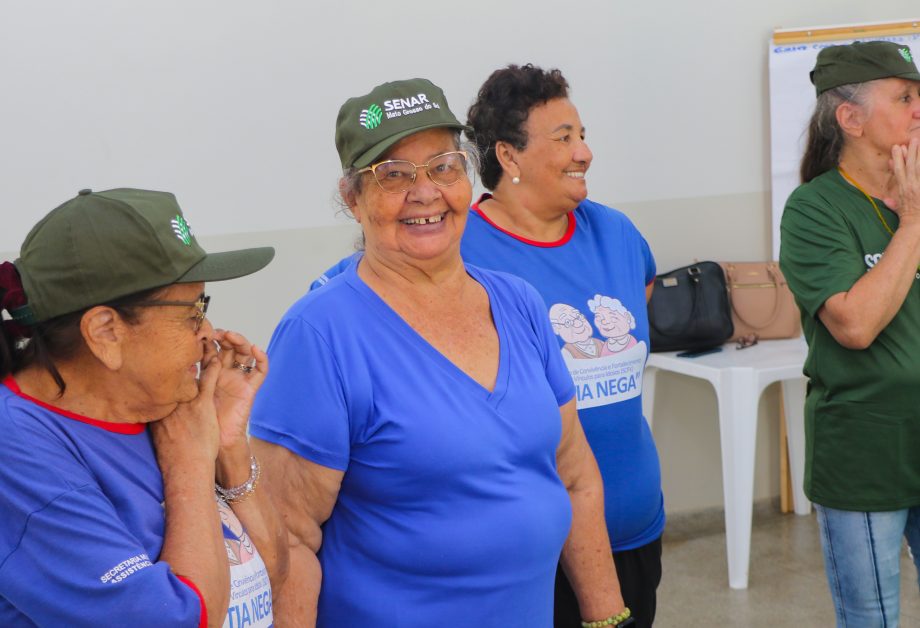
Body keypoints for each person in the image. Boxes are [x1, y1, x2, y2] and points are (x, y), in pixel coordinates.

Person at [249, 78, 634, 627]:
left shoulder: (517, 302)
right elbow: (288, 538)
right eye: (394, 176)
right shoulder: (320, 333)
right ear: (352, 198)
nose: (424, 192)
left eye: (443, 167)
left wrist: (607, 618)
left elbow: (574, 475)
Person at [0, 188, 287, 627]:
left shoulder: (161, 407)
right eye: (193, 311)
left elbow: (270, 575)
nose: (209, 333)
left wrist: (227, 447)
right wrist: (190, 465)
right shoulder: (18, 449)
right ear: (105, 332)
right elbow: (174, 620)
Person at [460, 64, 664, 628]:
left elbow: (640, 296)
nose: (585, 152)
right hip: (531, 553)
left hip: (635, 534)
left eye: (582, 135)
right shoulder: (464, 252)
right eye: (564, 138)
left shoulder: (616, 233)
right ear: (509, 156)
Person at [779, 41, 920, 626]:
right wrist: (913, 220)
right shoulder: (814, 210)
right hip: (865, 458)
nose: (919, 110)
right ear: (851, 118)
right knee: (873, 619)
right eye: (906, 98)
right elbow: (856, 324)